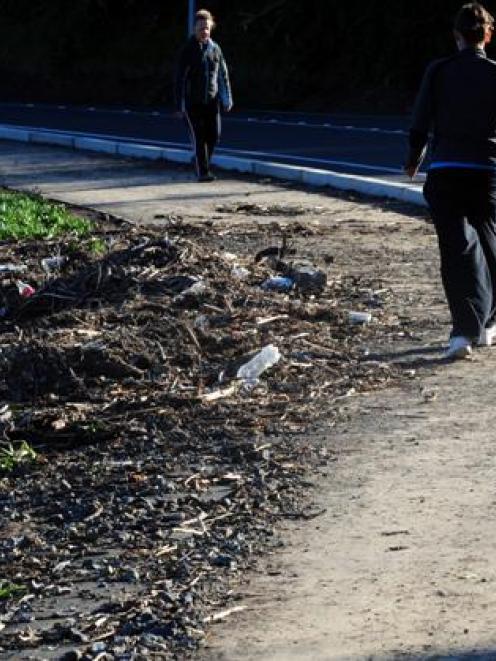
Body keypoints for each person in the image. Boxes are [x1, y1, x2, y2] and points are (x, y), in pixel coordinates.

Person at [405, 2, 496, 359]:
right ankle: (488, 322)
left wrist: (413, 159)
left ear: (456, 36)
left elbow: (420, 121)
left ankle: (463, 331)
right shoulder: (494, 73)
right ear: (488, 35)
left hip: (446, 169)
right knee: (489, 241)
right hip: (486, 171)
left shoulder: (438, 70)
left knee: (456, 249)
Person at [174, 9, 233, 182]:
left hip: (212, 101)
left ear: (211, 28)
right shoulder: (188, 50)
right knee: (199, 138)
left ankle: (200, 160)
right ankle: (203, 172)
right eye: (201, 28)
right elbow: (179, 79)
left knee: (214, 135)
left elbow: (223, 74)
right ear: (194, 29)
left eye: (207, 27)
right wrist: (179, 105)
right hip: (192, 103)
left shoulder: (216, 49)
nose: (204, 31)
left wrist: (227, 98)